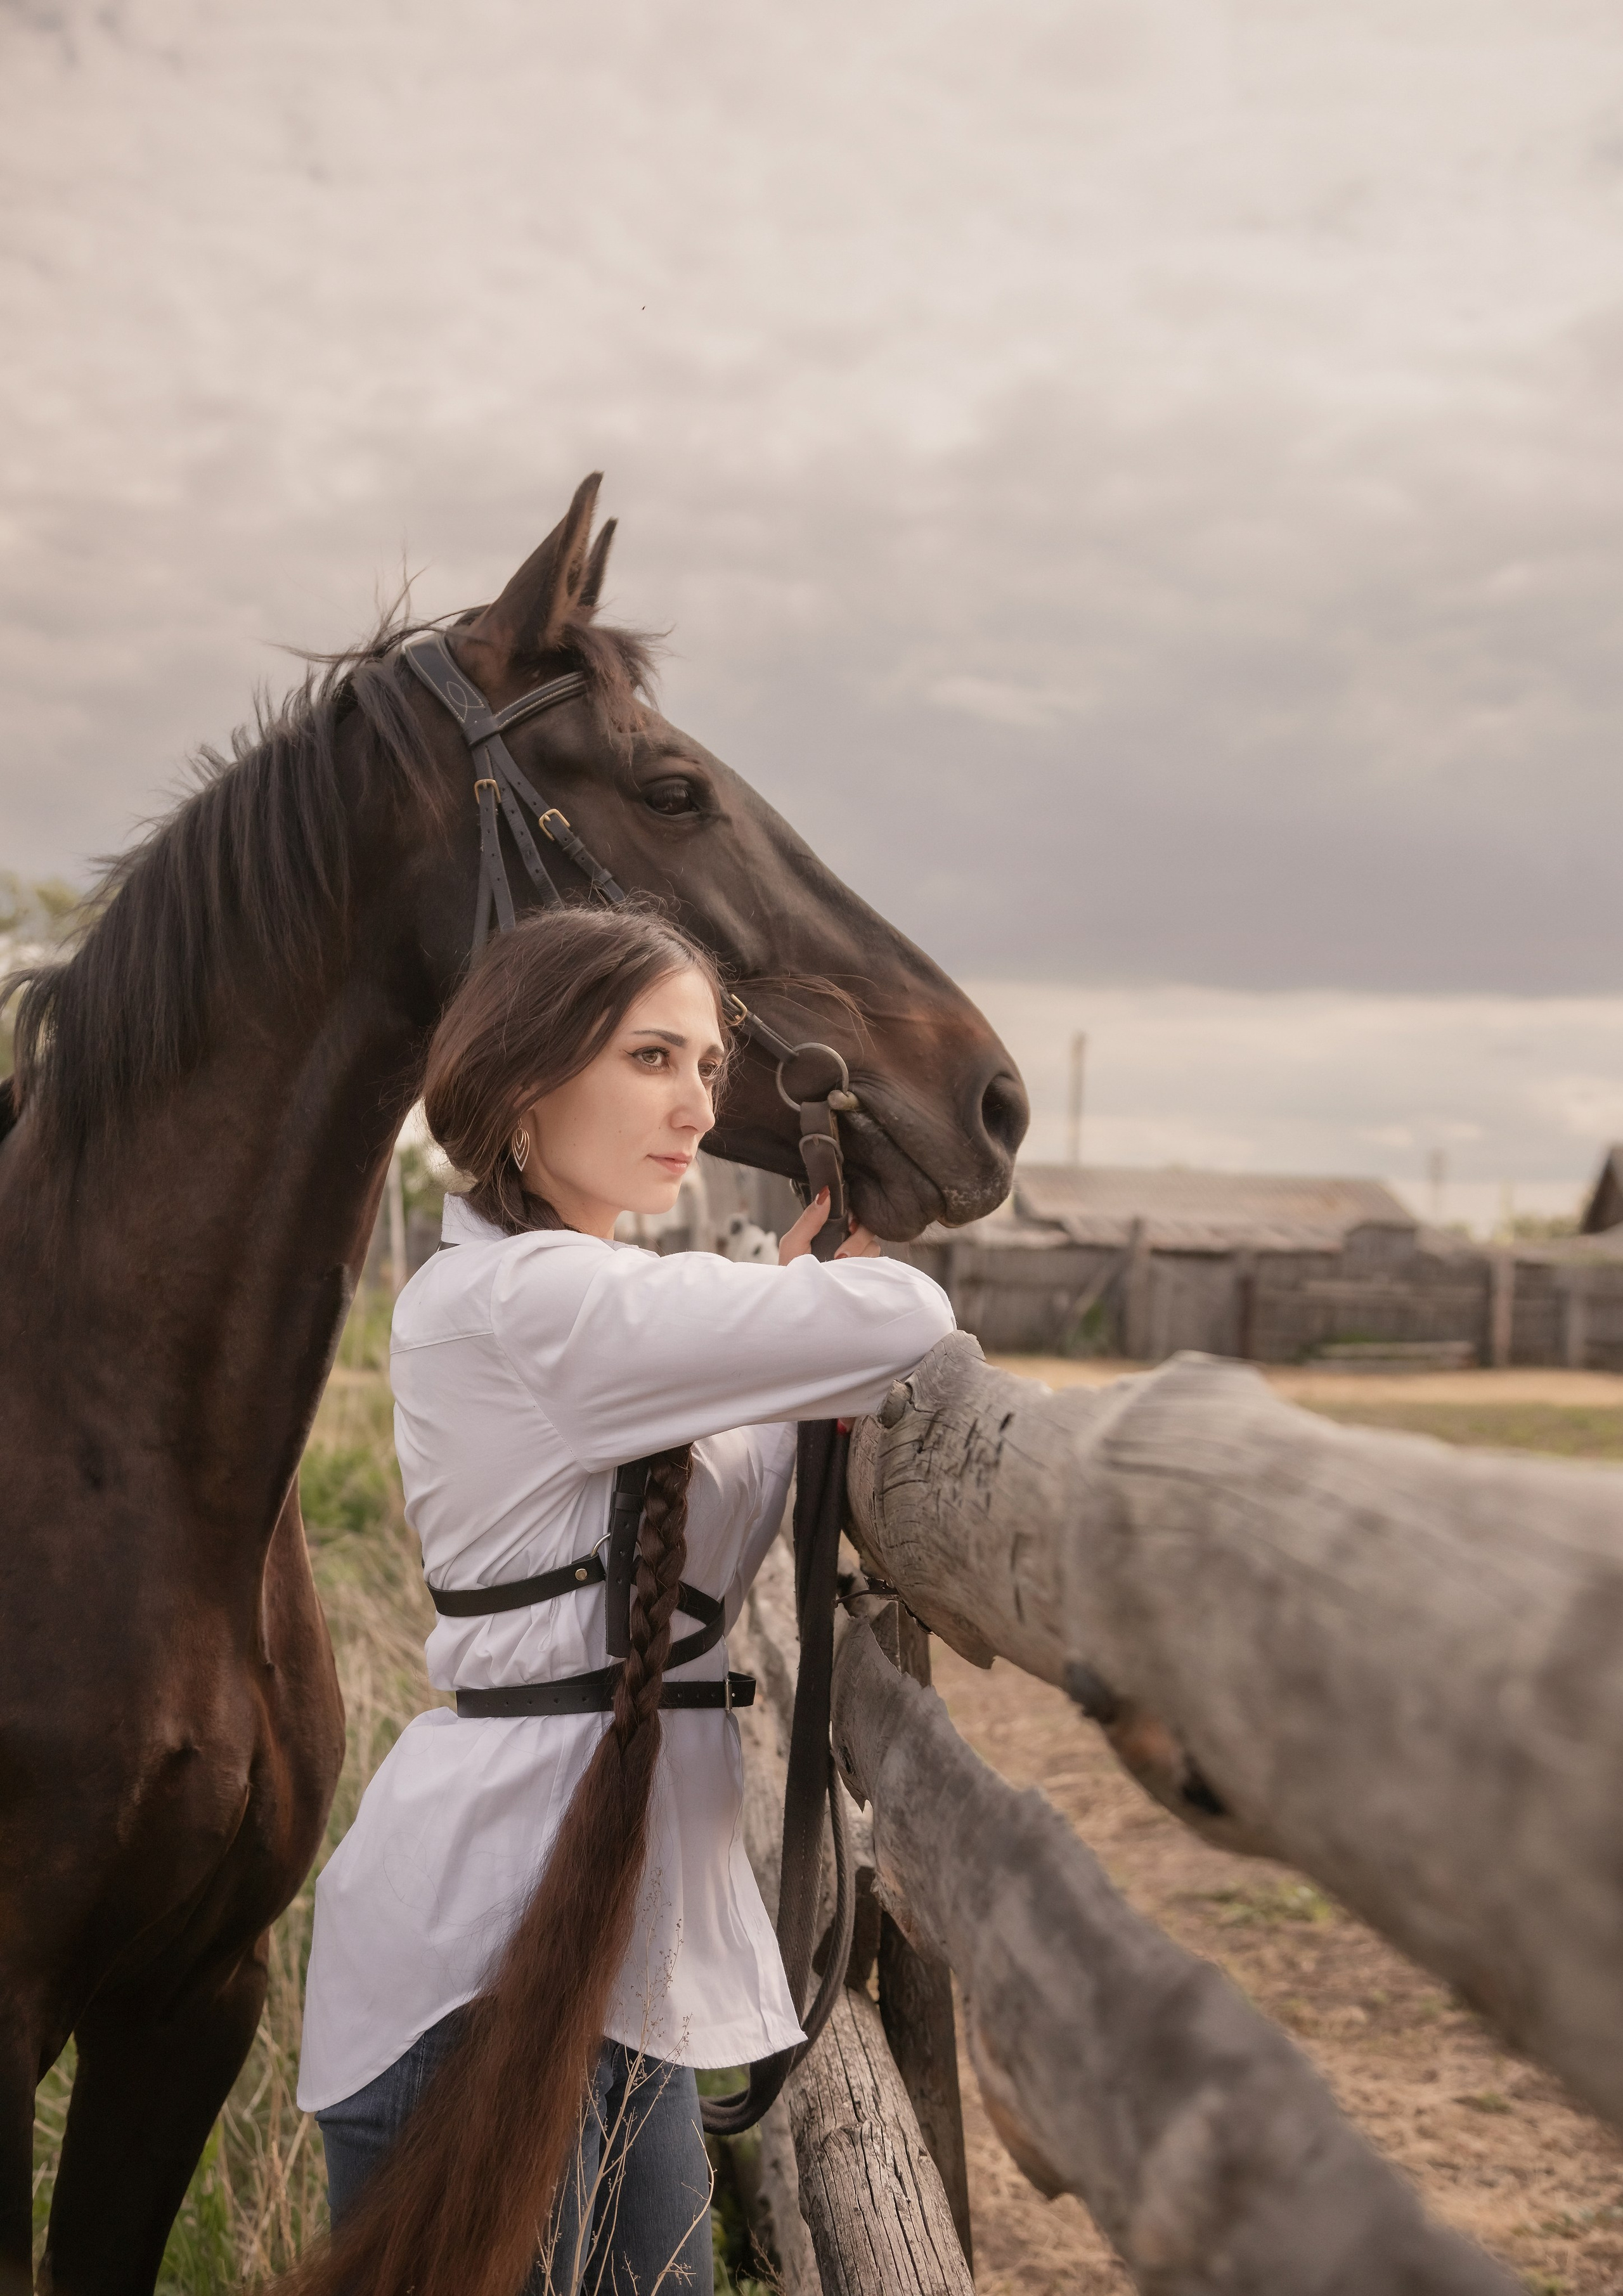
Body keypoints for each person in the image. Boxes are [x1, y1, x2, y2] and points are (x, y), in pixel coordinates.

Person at [291, 903, 956, 2296]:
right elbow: (900, 1320)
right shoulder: (514, 1298)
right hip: (480, 1952)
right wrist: (788, 1295)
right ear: (527, 1077)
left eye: (708, 1065)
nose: (696, 1101)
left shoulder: (603, 1299)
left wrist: (768, 1296)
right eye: (653, 1055)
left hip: (621, 1943)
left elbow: (756, 1370)